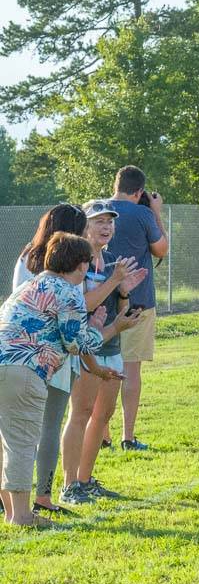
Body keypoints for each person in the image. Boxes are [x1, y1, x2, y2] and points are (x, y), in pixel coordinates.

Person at [0, 233, 105, 527]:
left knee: (6, 442)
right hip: (24, 370)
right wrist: (99, 328)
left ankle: (11, 510)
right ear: (81, 265)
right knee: (22, 442)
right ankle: (21, 516)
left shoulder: (28, 285)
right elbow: (75, 343)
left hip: (4, 363)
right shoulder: (68, 291)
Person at [60, 201, 148, 505]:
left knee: (103, 415)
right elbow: (81, 304)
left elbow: (121, 308)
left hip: (111, 344)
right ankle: (68, 484)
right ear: (84, 226)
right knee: (81, 413)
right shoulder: (76, 261)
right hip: (84, 349)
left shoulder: (113, 261)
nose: (106, 227)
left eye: (110, 221)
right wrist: (114, 282)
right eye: (99, 221)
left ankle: (84, 480)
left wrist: (124, 291)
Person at [9, 204, 89, 514]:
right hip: (45, 355)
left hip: (19, 352)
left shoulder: (28, 256)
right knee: (44, 429)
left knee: (15, 432)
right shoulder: (65, 267)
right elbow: (73, 327)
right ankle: (39, 499)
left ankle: (14, 501)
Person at [108, 165, 169, 451]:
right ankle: (127, 436)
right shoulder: (144, 213)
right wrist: (156, 210)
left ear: (116, 185)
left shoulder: (94, 210)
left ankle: (102, 433)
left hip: (100, 299)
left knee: (99, 367)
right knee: (131, 369)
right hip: (137, 300)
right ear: (140, 191)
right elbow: (161, 249)